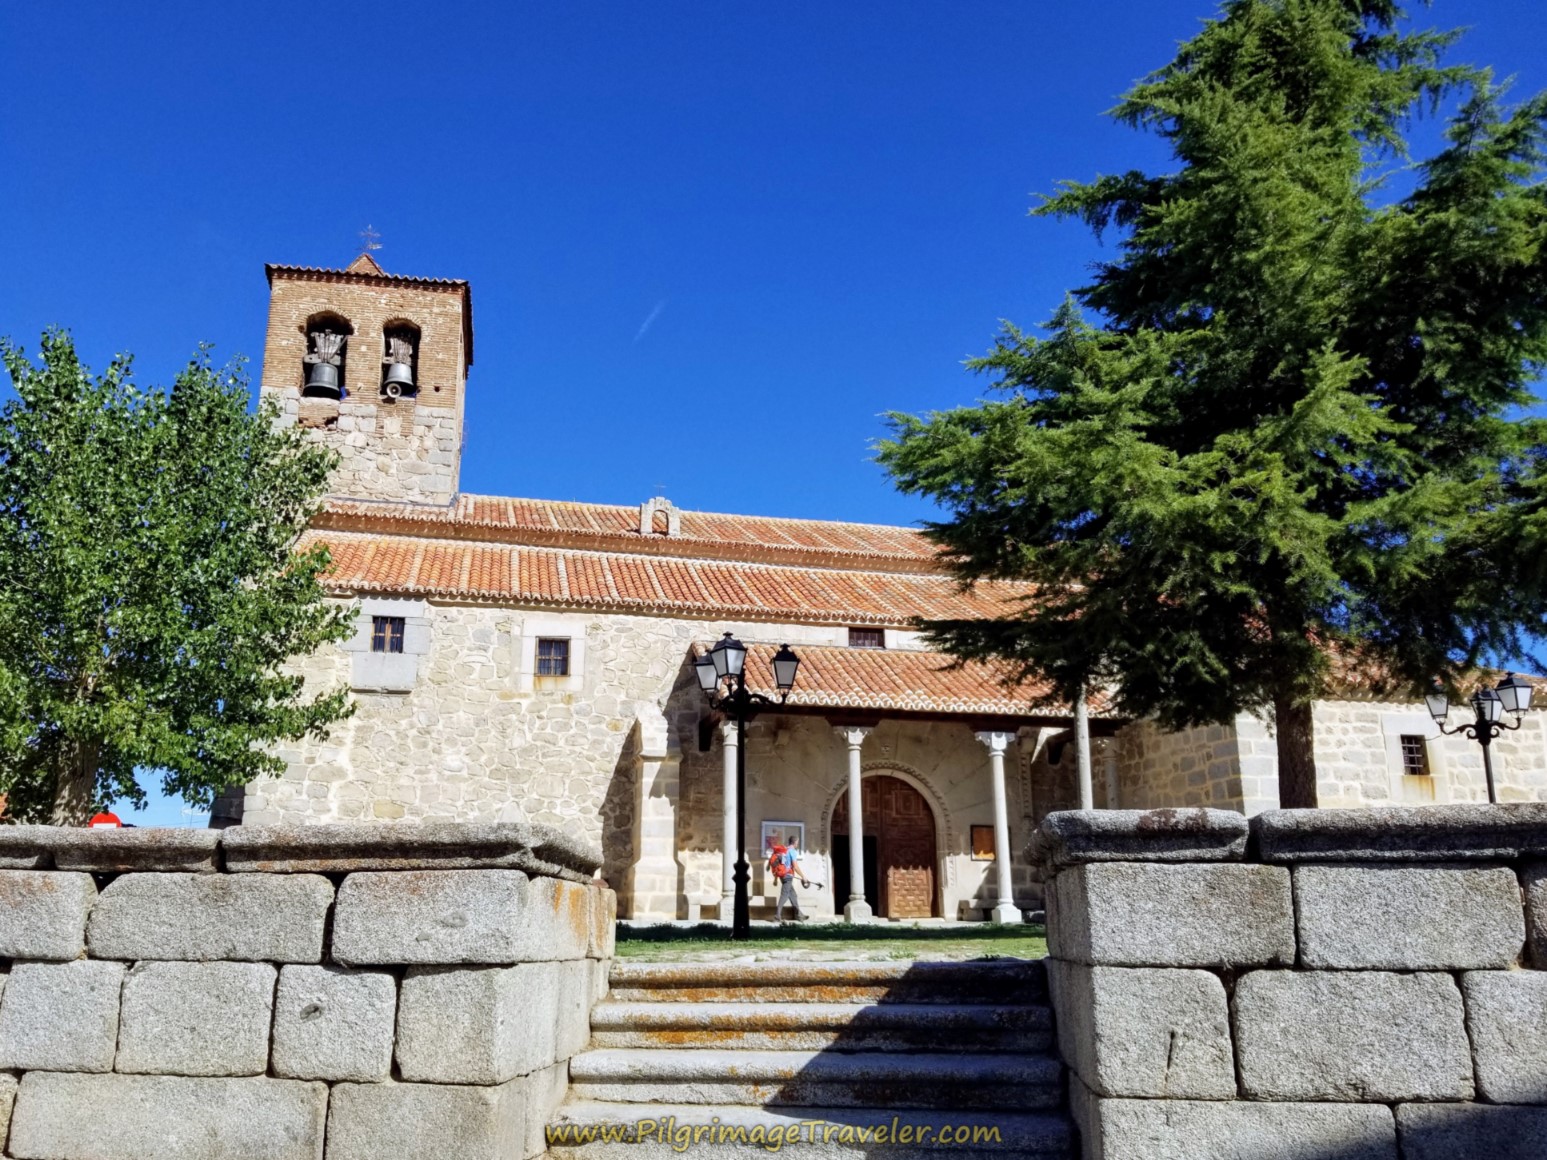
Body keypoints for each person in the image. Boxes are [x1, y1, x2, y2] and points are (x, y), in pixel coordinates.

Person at [769, 833, 809, 922]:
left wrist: (776, 878)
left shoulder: (785, 850)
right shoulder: (792, 851)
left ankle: (799, 915)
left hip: (783, 875)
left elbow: (779, 864)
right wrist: (803, 877)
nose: (797, 844)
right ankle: (777, 916)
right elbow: (795, 866)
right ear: (795, 842)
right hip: (788, 876)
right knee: (784, 895)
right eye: (797, 842)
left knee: (793, 894)